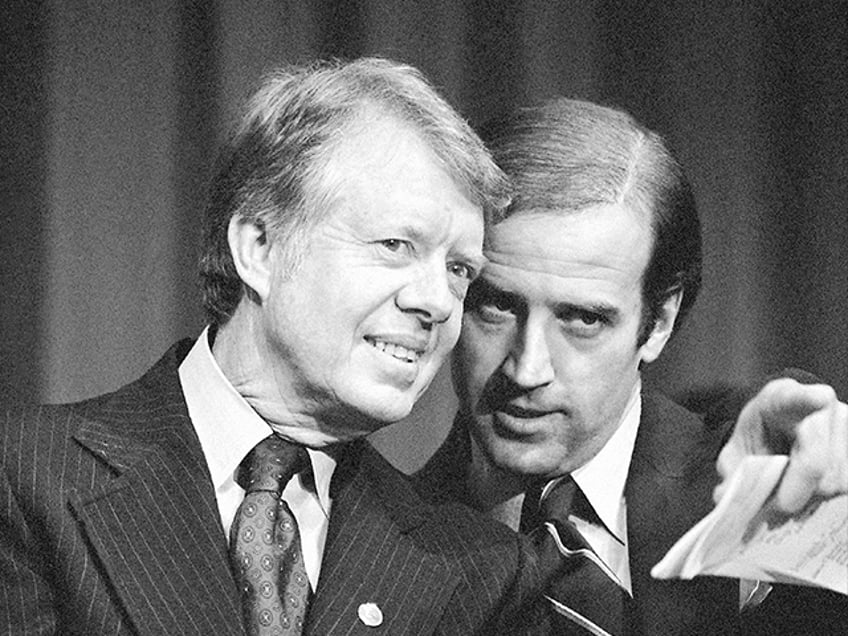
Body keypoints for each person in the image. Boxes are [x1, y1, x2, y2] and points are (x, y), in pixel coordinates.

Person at [0, 58, 540, 635]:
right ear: (259, 247)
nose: (437, 302)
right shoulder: (24, 475)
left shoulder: (482, 574)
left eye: (459, 269)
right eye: (395, 245)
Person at [416, 97, 848, 634]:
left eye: (582, 320)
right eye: (496, 305)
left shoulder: (757, 490)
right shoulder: (367, 545)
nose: (527, 370)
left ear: (659, 321)